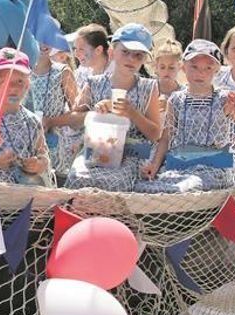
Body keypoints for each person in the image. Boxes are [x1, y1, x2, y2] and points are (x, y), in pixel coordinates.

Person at [137, 40, 235, 193]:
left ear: (216, 70)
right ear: (184, 68)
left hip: (214, 169)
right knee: (145, 187)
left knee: (189, 186)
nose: (200, 73)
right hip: (180, 165)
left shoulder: (224, 99)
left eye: (208, 67)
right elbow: (166, 137)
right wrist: (154, 165)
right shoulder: (176, 100)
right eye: (194, 67)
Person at [65, 24, 161, 191]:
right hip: (95, 152)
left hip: (131, 157)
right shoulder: (94, 83)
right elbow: (73, 121)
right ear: (111, 52)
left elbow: (155, 134)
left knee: (114, 182)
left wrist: (132, 113)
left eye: (138, 55)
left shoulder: (149, 87)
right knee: (77, 177)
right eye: (125, 52)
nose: (131, 59)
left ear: (144, 59)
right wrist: (95, 112)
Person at [0, 48, 51, 185]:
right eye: (4, 82)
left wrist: (39, 164)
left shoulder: (32, 121)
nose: (13, 88)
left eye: (19, 81)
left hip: (23, 197)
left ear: (27, 85)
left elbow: (43, 155)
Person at [26, 41, 79, 180]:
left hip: (54, 151)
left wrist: (51, 122)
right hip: (24, 148)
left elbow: (79, 113)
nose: (44, 43)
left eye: (48, 38)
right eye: (39, 38)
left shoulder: (63, 72)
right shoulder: (19, 70)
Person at [72, 23, 111, 89]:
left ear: (98, 50)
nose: (76, 54)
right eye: (75, 49)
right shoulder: (81, 73)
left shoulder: (118, 73)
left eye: (81, 49)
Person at [152, 39, 184, 112]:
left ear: (179, 66)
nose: (166, 71)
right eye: (162, 67)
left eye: (171, 68)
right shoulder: (147, 90)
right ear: (156, 66)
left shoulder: (184, 94)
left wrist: (170, 108)